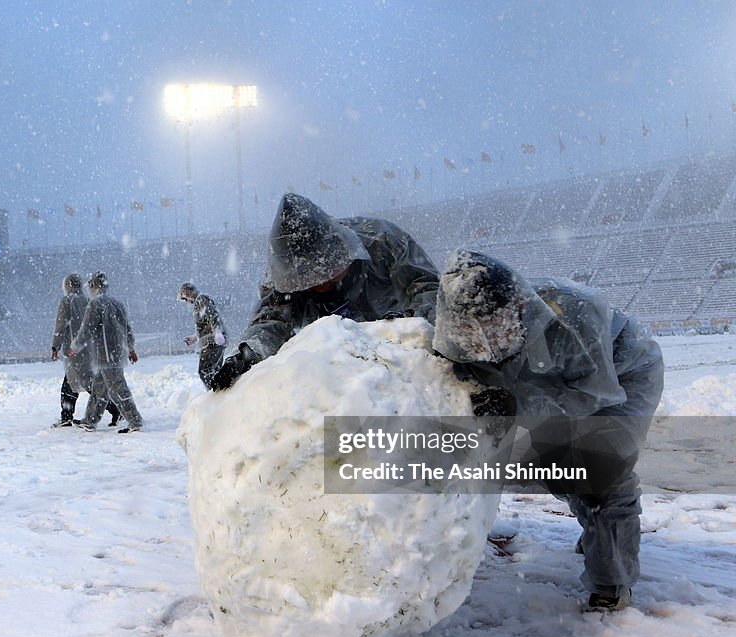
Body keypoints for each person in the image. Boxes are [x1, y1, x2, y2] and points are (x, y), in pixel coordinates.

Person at [432, 248, 664, 612]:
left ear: (519, 309)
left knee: (602, 471)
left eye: (494, 331)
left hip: (620, 378)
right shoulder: (458, 328)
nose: (482, 346)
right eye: (469, 335)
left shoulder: (574, 315)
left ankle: (612, 583)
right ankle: (597, 533)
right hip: (541, 383)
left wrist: (514, 408)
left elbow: (591, 397)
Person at [208, 192, 440, 390]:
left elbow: (427, 289)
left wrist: (410, 323)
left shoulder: (383, 241)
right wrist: (249, 354)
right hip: (341, 376)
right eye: (308, 282)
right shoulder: (281, 279)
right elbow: (270, 322)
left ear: (345, 252)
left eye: (328, 273)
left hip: (406, 362)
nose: (321, 285)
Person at [68, 271, 144, 433]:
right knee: (99, 388)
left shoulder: (95, 304)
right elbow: (127, 329)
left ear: (94, 286)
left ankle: (134, 420)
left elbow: (86, 330)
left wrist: (74, 347)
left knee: (118, 388)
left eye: (90, 285)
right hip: (116, 352)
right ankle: (90, 420)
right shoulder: (118, 304)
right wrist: (130, 348)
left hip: (105, 354)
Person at [51, 273, 121, 428]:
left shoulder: (66, 302)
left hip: (73, 350)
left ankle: (116, 408)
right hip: (88, 349)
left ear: (67, 285)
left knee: (88, 384)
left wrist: (55, 346)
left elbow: (60, 326)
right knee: (71, 384)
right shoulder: (88, 301)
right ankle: (67, 415)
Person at [178, 282, 229, 389]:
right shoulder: (198, 302)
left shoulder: (201, 299)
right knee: (214, 371)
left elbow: (213, 315)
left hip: (212, 342)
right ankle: (221, 394)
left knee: (205, 371)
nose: (186, 301)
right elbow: (204, 325)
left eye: (184, 298)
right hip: (211, 341)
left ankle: (215, 394)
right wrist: (195, 338)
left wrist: (217, 331)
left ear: (188, 292)